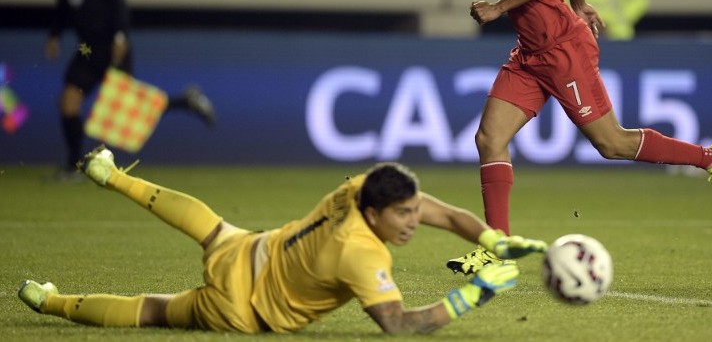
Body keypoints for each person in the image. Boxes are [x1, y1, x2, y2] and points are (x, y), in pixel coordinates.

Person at [446, 0, 712, 275]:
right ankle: (497, 249)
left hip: (563, 53)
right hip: (532, 54)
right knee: (489, 139)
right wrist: (581, 3)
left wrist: (500, 7)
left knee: (612, 143)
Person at [18, 145, 547, 334]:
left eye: (413, 210)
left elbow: (447, 215)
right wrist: (472, 294)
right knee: (153, 312)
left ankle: (111, 178)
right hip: (244, 310)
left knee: (209, 224)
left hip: (251, 250)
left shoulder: (364, 187)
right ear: (374, 211)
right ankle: (49, 303)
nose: (414, 221)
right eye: (403, 214)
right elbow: (399, 325)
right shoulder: (360, 254)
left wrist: (491, 241)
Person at [46, 0, 216, 179]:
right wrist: (55, 35)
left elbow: (118, 2)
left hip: (111, 45)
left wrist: (120, 35)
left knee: (127, 108)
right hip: (87, 48)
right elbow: (64, 10)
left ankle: (186, 101)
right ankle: (74, 167)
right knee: (68, 102)